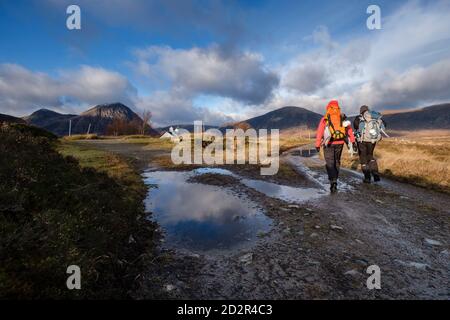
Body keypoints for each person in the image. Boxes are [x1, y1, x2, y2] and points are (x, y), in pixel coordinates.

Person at [315, 100, 357, 193]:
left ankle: (332, 181)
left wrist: (317, 144)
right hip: (340, 143)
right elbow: (349, 130)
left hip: (328, 143)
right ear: (338, 108)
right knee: (337, 161)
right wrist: (353, 142)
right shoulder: (342, 117)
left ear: (328, 108)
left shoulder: (325, 118)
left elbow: (320, 132)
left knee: (330, 162)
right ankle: (335, 180)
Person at [353, 105, 386, 183]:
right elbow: (384, 126)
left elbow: (355, 126)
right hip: (372, 140)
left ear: (361, 111)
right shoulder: (374, 117)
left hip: (362, 141)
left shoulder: (359, 117)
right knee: (370, 156)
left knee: (363, 159)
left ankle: (367, 177)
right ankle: (375, 174)